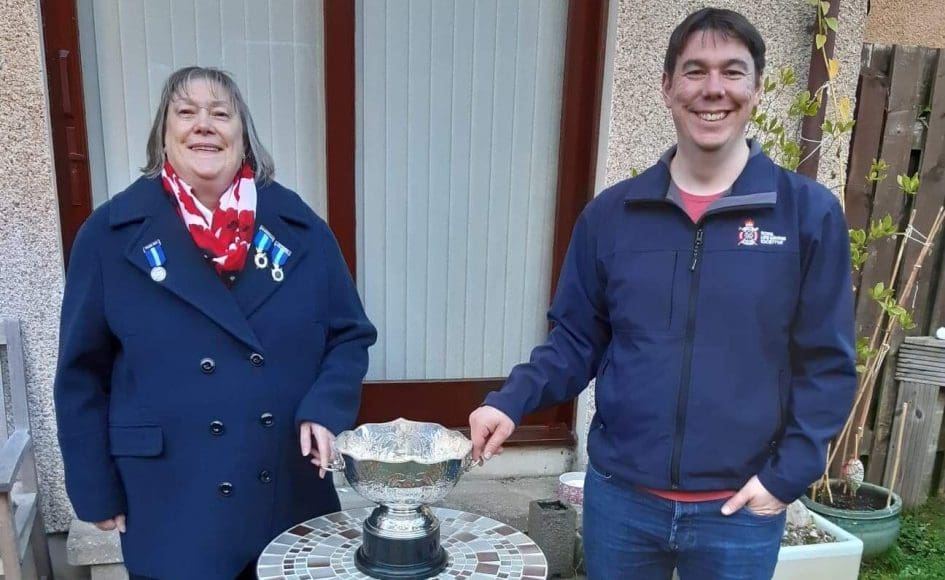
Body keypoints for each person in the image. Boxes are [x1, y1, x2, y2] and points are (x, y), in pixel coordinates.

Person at [469, 8, 856, 580]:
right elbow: (577, 338)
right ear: (668, 86)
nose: (713, 89)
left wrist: (786, 476)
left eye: (732, 71)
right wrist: (510, 400)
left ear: (755, 86)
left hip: (739, 509)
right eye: (695, 71)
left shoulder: (806, 216)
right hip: (622, 502)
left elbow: (826, 362)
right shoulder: (612, 216)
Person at [54, 66, 376, 580]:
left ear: (242, 136)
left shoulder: (300, 228)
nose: (204, 124)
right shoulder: (110, 235)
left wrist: (325, 407)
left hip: (286, 490)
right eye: (186, 112)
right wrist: (93, 484)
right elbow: (80, 375)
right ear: (164, 133)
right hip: (170, 495)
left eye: (220, 113)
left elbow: (349, 335)